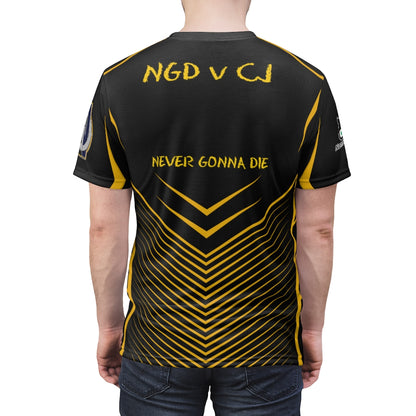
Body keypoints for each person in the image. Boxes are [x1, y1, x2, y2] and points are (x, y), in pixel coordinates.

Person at [73, 0, 350, 414]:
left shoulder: (121, 80)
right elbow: (318, 230)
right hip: (264, 340)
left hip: (158, 337)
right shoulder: (305, 82)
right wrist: (310, 330)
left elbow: (104, 228)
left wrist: (110, 326)